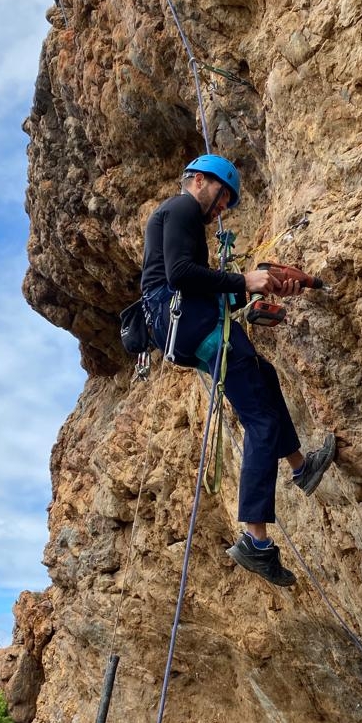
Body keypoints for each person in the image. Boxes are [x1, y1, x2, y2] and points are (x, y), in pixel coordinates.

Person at [141, 154, 335, 586]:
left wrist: (256, 285)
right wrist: (244, 281)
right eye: (222, 195)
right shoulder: (181, 208)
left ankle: (302, 466)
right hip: (195, 324)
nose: (222, 208)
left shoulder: (182, 216)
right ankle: (256, 541)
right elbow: (180, 274)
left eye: (227, 201)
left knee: (264, 377)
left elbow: (195, 280)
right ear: (200, 181)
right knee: (261, 420)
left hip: (193, 327)